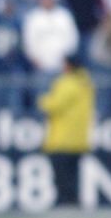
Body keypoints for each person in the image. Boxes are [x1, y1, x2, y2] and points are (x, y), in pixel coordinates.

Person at [37, 54, 94, 207]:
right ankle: (73, 202)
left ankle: (64, 202)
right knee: (73, 175)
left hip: (63, 138)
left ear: (68, 66)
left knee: (61, 175)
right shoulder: (86, 83)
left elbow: (53, 105)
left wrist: (42, 100)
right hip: (79, 138)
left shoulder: (67, 83)